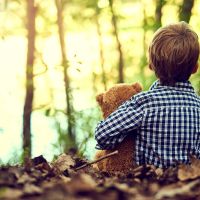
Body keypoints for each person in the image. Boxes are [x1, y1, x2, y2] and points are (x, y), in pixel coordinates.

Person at [95, 21, 200, 168]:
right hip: (189, 183)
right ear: (195, 68)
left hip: (149, 183)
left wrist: (127, 136)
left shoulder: (143, 103)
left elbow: (103, 134)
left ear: (151, 65)